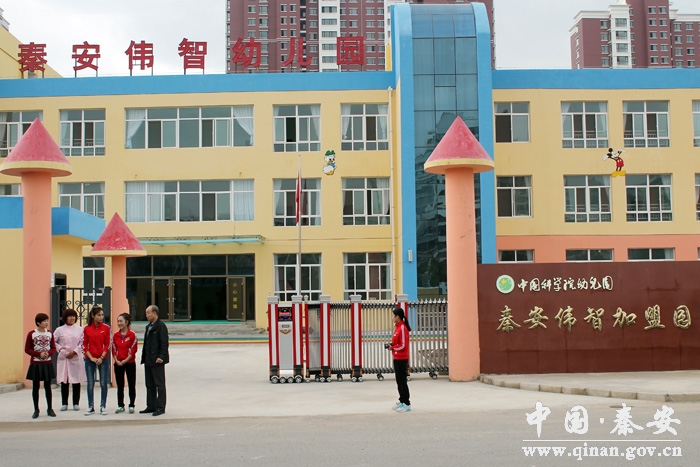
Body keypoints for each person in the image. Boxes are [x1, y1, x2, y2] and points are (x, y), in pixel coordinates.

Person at [53, 308, 87, 411]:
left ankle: (76, 403)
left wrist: (75, 351)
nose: (72, 318)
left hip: (75, 357)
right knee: (65, 381)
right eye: (69, 316)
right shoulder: (59, 330)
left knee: (76, 381)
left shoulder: (80, 329)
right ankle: (64, 403)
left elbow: (82, 342)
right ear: (65, 318)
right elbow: (53, 342)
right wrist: (61, 350)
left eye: (73, 316)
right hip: (64, 358)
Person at [25, 313, 56, 419]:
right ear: (38, 323)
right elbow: (27, 349)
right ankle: (36, 409)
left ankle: (50, 409)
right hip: (36, 363)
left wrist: (49, 353)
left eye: (47, 320)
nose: (46, 323)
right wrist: (38, 354)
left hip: (47, 363)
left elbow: (53, 347)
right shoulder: (32, 334)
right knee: (36, 387)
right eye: (44, 321)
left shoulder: (50, 333)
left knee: (48, 387)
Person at [140, 305, 169, 417]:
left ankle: (160, 407)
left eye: (148, 313)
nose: (146, 315)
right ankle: (151, 405)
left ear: (155, 313)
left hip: (157, 360)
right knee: (149, 384)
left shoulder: (161, 326)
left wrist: (161, 356)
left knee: (159, 384)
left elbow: (164, 343)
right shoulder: (148, 327)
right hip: (148, 360)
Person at [83, 306, 111, 416]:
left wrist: (101, 357)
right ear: (93, 315)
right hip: (89, 359)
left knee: (103, 383)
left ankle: (103, 406)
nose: (101, 317)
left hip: (103, 359)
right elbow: (84, 344)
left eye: (102, 315)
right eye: (99, 315)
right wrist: (90, 357)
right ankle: (90, 406)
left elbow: (107, 344)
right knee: (90, 383)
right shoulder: (86, 328)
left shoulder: (106, 328)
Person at [112, 313, 138, 414]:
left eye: (121, 321)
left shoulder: (132, 335)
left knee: (131, 384)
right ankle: (120, 405)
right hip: (118, 363)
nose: (119, 323)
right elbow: (114, 349)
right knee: (120, 385)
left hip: (130, 363)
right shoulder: (115, 335)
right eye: (118, 321)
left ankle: (131, 405)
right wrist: (116, 360)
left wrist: (126, 360)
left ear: (127, 322)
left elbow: (133, 349)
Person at [388, 307, 412, 413]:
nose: (392, 317)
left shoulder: (402, 328)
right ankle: (402, 400)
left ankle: (407, 404)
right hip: (397, 358)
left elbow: (403, 345)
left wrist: (393, 348)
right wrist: (392, 345)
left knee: (402, 381)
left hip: (402, 358)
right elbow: (397, 342)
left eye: (393, 315)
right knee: (399, 381)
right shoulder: (397, 327)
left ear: (398, 316)